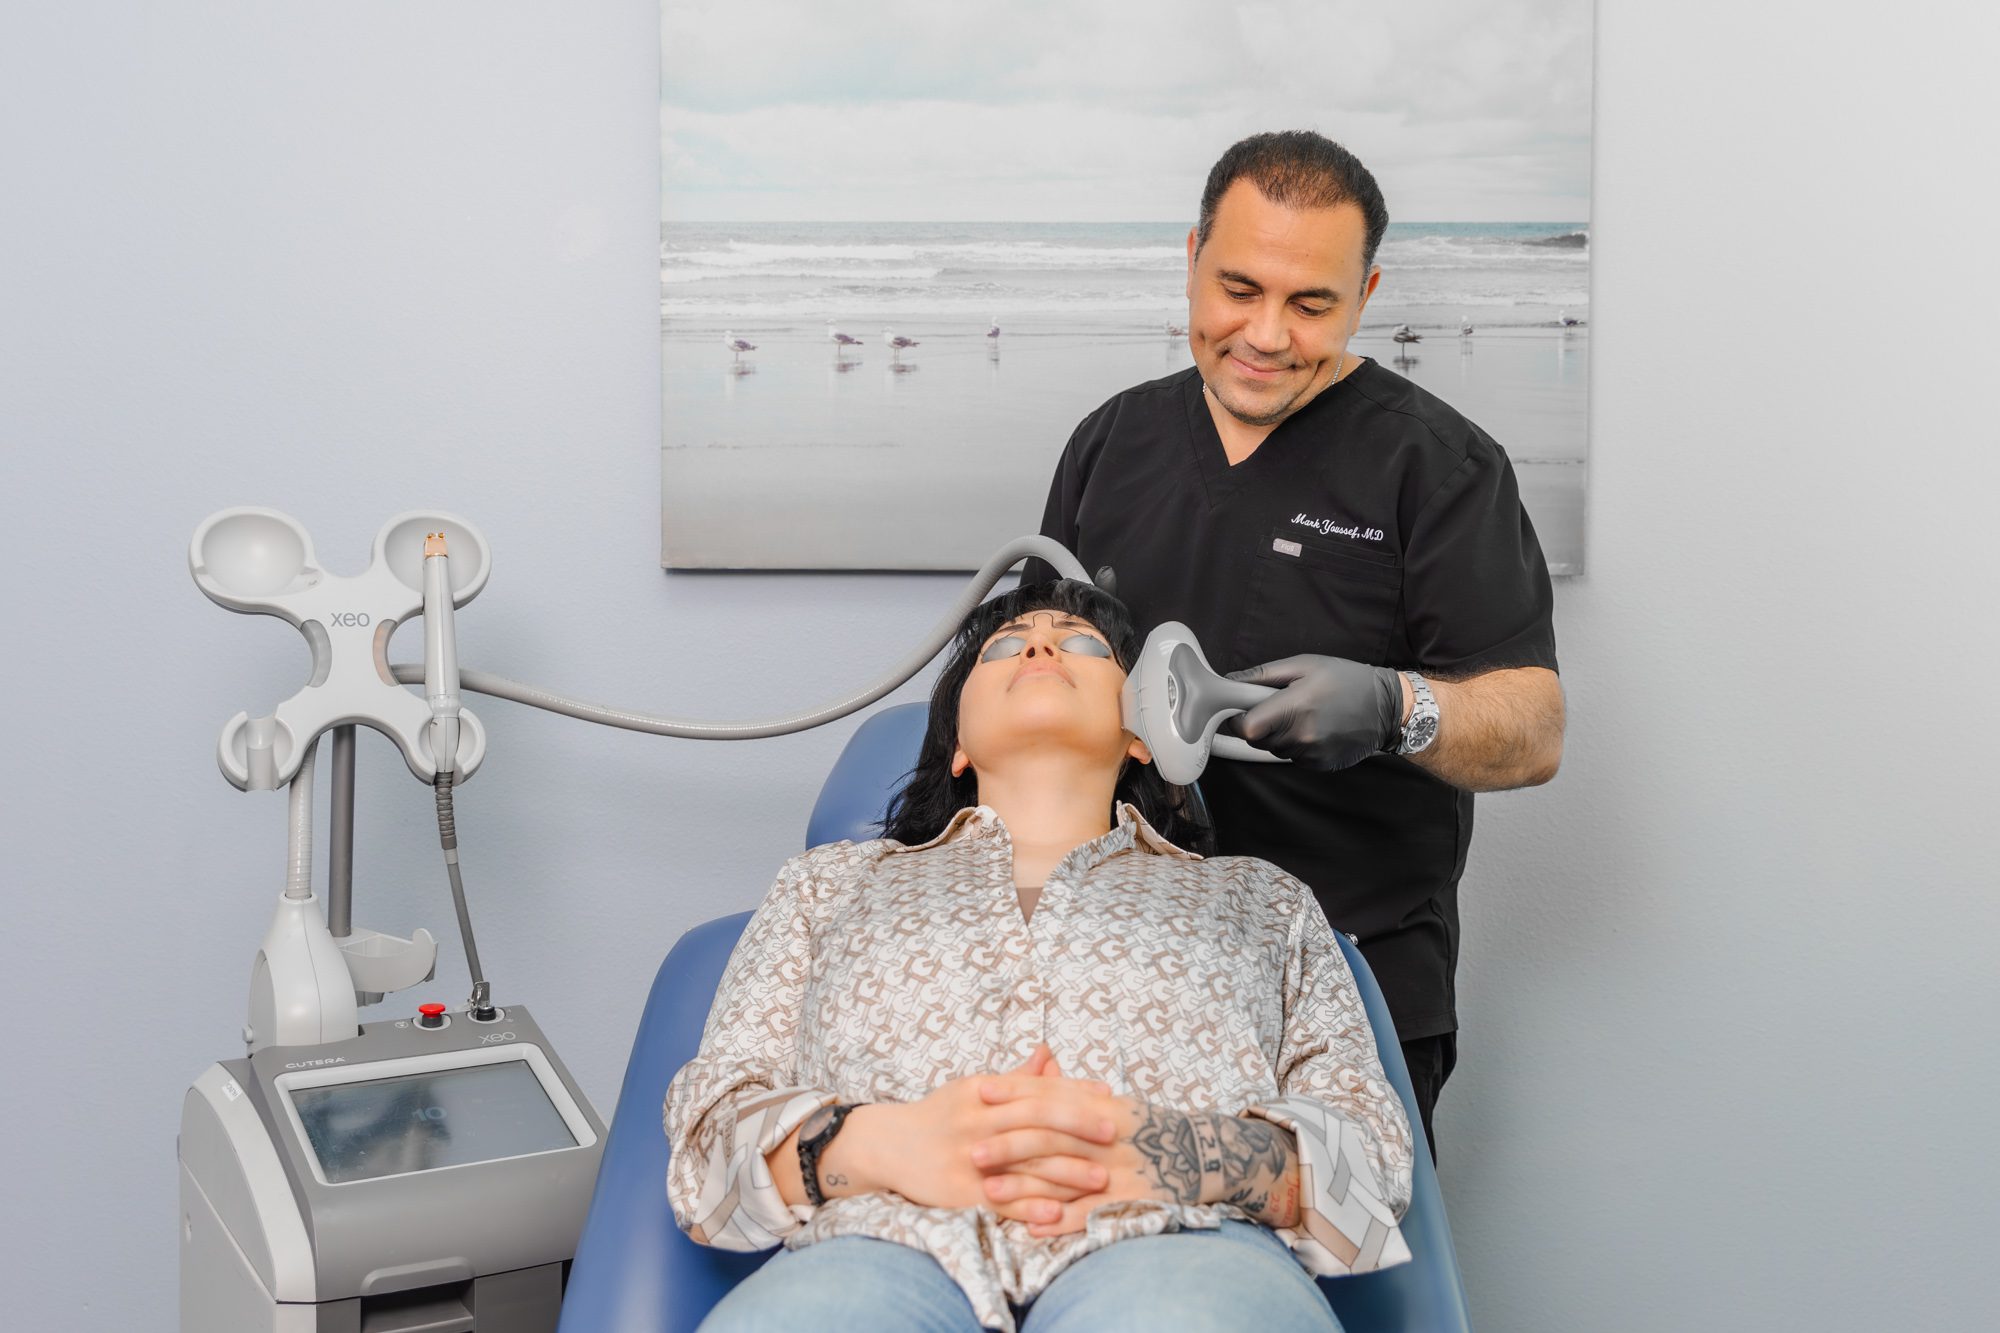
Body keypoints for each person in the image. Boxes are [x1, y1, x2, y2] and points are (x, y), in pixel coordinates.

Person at [664, 579, 1414, 1333]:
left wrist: (1173, 1152)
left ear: (1143, 731)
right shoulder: (824, 887)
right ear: (958, 744)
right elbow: (707, 1136)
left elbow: (1372, 1153)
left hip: (1182, 1244)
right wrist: (885, 1145)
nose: (1041, 646)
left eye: (1082, 643)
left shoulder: (1263, 901)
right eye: (1003, 647)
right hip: (874, 1242)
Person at [1021, 131, 1566, 1154]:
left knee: (1329, 1236)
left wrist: (1396, 709)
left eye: (1311, 304)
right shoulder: (1110, 443)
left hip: (1349, 969)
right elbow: (1034, 668)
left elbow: (1533, 731)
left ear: (1365, 294)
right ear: (1192, 258)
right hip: (1120, 961)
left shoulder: (1440, 469)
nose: (1266, 334)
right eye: (1238, 289)